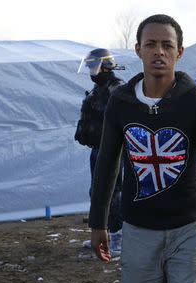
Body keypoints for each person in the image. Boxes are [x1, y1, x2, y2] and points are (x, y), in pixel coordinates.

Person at [88, 14, 196, 283]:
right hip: (138, 231)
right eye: (151, 44)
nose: (159, 51)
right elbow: (107, 165)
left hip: (187, 231)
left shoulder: (195, 103)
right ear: (138, 50)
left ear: (179, 52)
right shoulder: (120, 103)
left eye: (167, 45)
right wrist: (99, 222)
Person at [74, 48, 125, 256]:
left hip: (113, 150)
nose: (91, 71)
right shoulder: (99, 89)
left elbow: (123, 120)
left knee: (113, 193)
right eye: (89, 66)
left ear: (106, 66)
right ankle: (102, 232)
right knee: (97, 192)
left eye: (93, 66)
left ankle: (118, 237)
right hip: (98, 149)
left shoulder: (117, 88)